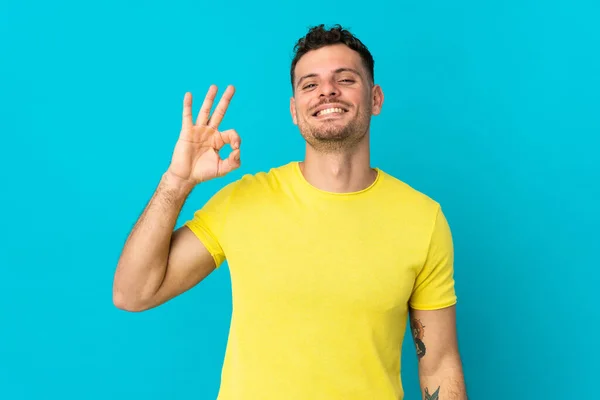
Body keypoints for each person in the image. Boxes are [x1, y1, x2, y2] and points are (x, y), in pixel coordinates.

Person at [113, 24, 468, 400]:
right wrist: (177, 181)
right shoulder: (243, 202)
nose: (327, 91)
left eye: (345, 79)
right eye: (309, 84)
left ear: (375, 98)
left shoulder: (422, 219)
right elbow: (133, 294)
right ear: (294, 110)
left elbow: (439, 361)